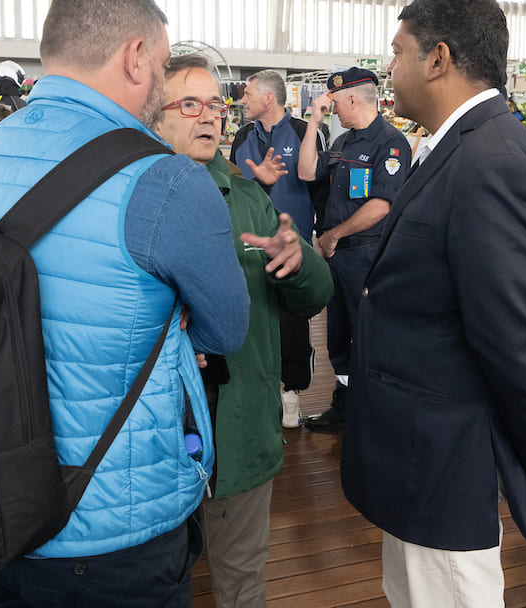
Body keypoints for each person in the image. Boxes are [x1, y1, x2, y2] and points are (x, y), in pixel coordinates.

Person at [0, 0, 249, 607]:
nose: (162, 84)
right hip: (109, 526)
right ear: (136, 57)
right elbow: (227, 328)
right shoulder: (165, 180)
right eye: (164, 66)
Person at [341, 0, 526, 607]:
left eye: (398, 52)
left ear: (439, 58)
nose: (389, 67)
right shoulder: (458, 146)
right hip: (421, 442)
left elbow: (509, 333)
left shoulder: (489, 159)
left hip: (446, 451)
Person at [158, 55, 333, 607]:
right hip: (153, 442)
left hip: (238, 430)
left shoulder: (249, 199)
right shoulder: (134, 199)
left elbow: (315, 294)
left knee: (239, 582)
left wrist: (298, 260)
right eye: (190, 104)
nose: (209, 117)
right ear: (151, 116)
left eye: (215, 104)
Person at [296, 67, 411, 432]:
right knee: (337, 337)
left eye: (332, 102)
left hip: (366, 255)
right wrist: (313, 123)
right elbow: (305, 171)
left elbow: (381, 205)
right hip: (337, 257)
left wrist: (333, 235)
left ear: (350, 98)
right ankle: (345, 405)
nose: (331, 108)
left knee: (369, 335)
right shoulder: (343, 142)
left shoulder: (390, 144)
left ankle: (373, 411)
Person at [230, 69, 328, 428]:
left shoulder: (305, 133)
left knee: (293, 324)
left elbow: (321, 187)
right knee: (254, 319)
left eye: (249, 93)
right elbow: (234, 186)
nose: (243, 99)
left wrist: (321, 237)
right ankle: (261, 391)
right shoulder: (242, 137)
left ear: (269, 98)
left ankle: (292, 392)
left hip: (294, 247)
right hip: (249, 249)